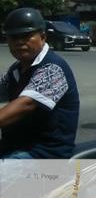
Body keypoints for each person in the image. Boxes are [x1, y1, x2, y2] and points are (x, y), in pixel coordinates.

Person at [0, 8, 79, 158]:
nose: (19, 42)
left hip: (44, 153)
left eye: (26, 36)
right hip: (15, 146)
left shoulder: (52, 68)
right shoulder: (16, 70)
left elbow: (25, 104)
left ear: (43, 37)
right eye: (13, 37)